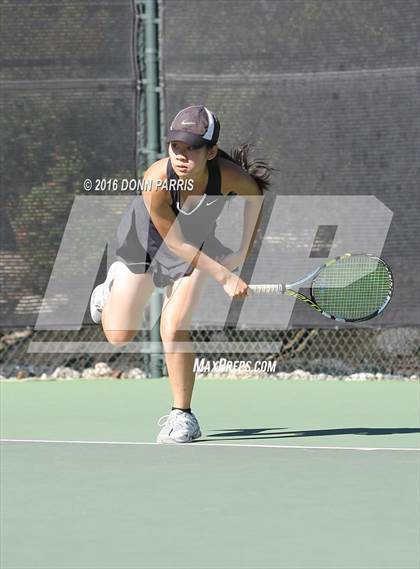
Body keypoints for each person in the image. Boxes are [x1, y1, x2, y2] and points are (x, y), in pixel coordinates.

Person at [90, 105, 272, 443]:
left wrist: (243, 250)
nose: (182, 155)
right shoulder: (156, 180)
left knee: (173, 327)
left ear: (211, 151)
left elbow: (255, 197)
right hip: (145, 240)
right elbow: (172, 242)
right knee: (119, 335)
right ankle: (112, 286)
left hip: (196, 243)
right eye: (176, 146)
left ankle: (182, 416)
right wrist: (224, 274)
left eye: (192, 147)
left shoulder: (229, 176)